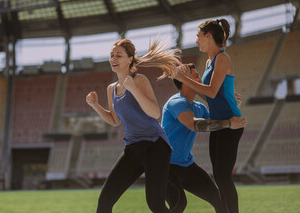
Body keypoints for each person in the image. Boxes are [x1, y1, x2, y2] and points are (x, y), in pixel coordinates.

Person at [86, 38, 181, 213]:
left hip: (155, 146)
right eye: (112, 55)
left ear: (130, 59)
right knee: (105, 201)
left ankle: (176, 195)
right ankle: (176, 196)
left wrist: (134, 89)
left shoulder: (139, 80)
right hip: (132, 149)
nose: (113, 59)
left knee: (155, 205)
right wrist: (95, 106)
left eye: (119, 55)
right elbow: (115, 120)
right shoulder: (111, 89)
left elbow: (154, 113)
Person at [175, 18, 245, 213]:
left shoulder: (223, 58)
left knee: (223, 177)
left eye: (198, 36)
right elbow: (211, 95)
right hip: (219, 123)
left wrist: (185, 79)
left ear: (207, 36)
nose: (196, 40)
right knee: (219, 176)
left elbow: (212, 92)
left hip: (232, 122)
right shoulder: (209, 61)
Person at [162, 63, 247, 213]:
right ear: (185, 80)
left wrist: (231, 104)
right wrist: (228, 123)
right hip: (164, 166)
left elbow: (217, 123)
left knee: (219, 199)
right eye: (196, 76)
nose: (200, 79)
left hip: (186, 165)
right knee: (179, 204)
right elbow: (194, 125)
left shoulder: (199, 108)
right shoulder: (176, 102)